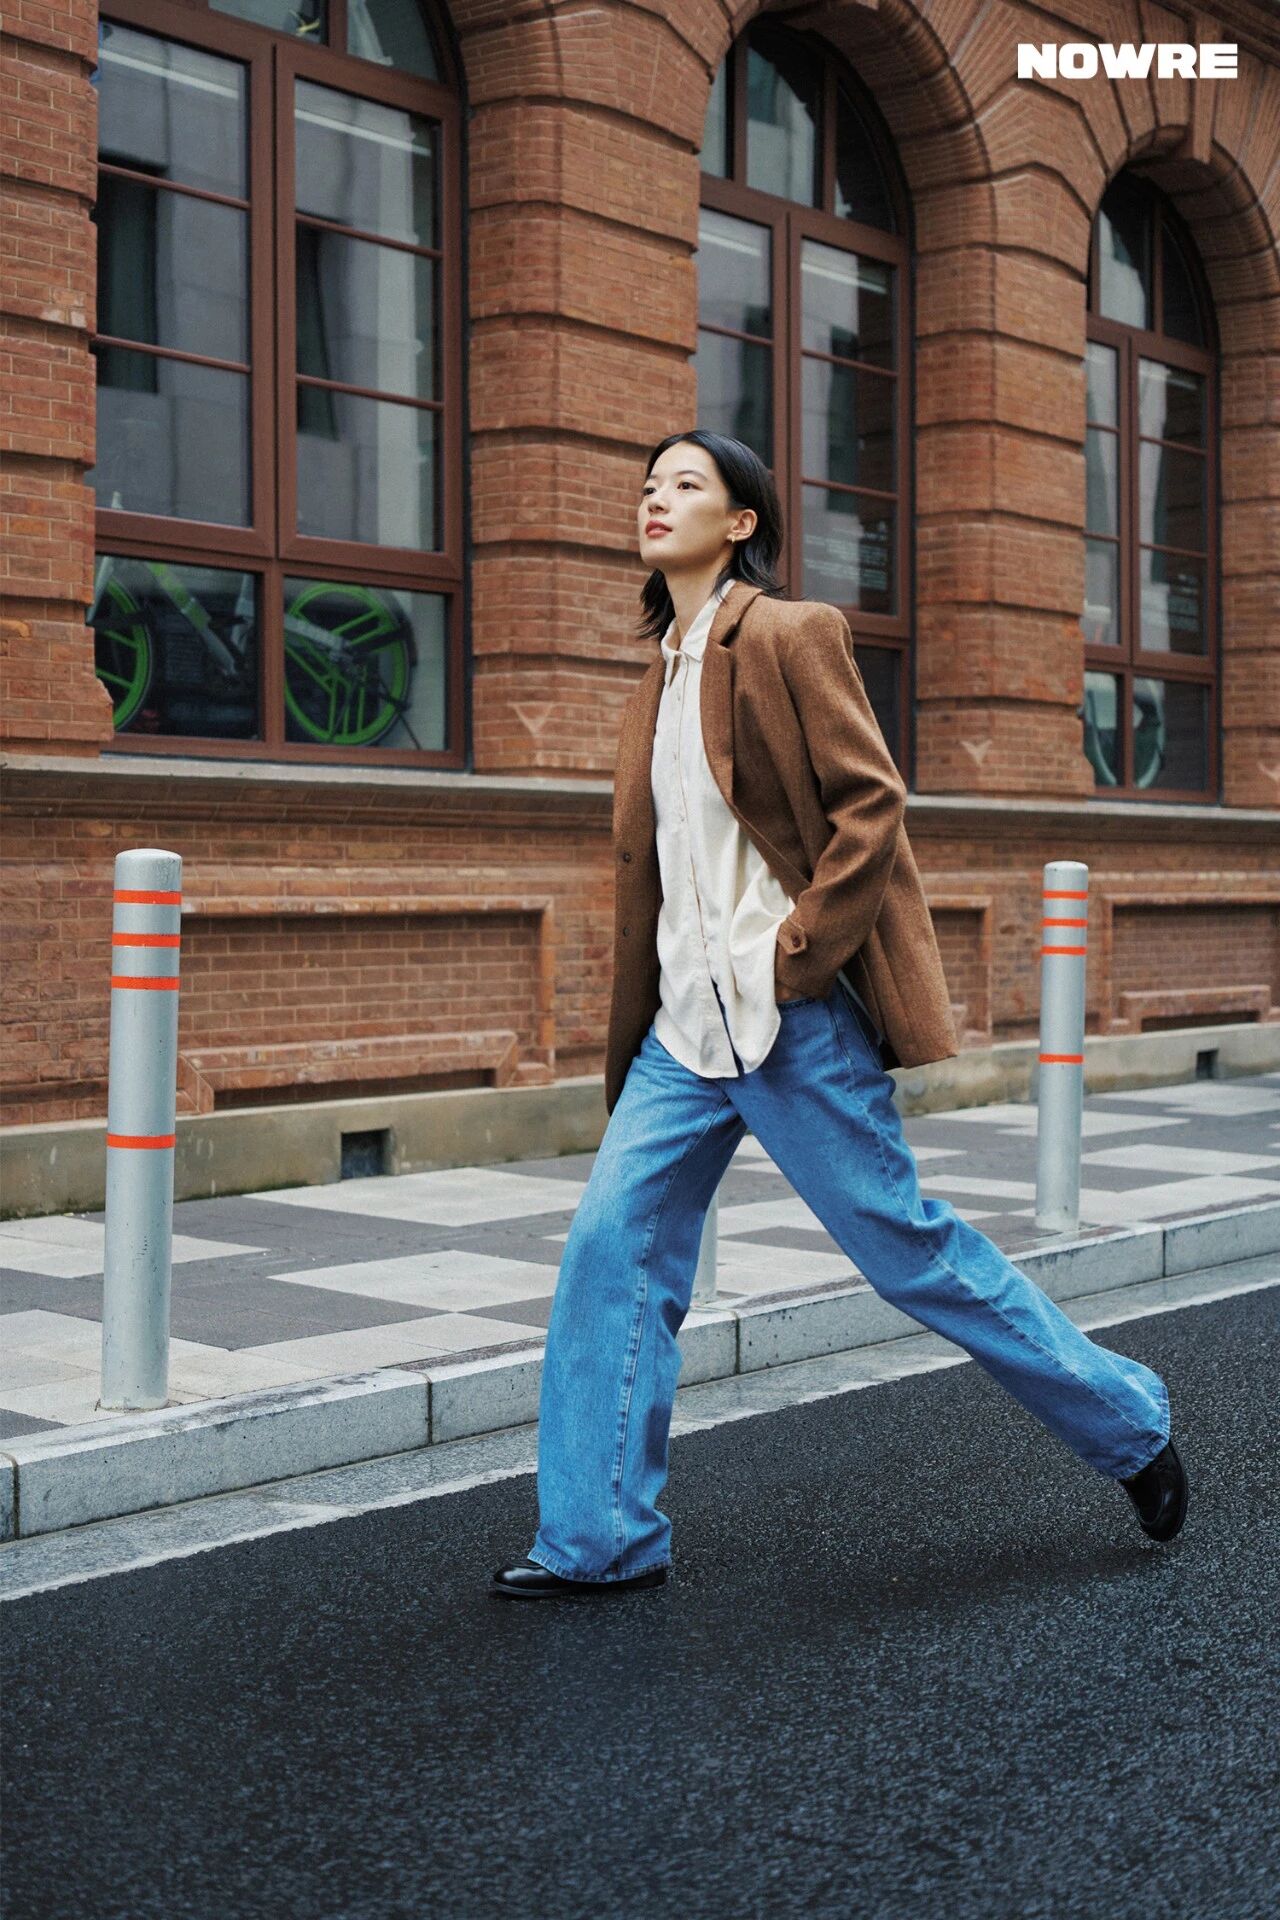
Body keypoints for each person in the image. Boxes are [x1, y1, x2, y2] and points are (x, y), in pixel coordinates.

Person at [491, 430, 1187, 1602]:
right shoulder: (652, 677)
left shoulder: (786, 634)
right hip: (680, 1035)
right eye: (647, 486)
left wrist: (795, 957)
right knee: (611, 1254)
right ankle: (599, 1538)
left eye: (684, 485)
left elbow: (871, 806)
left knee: (906, 1253)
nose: (655, 499)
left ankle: (1126, 1422)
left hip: (786, 1022)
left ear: (741, 521)